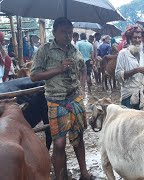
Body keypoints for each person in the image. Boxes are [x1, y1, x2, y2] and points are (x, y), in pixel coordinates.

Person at [30, 17, 94, 180]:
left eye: (70, 33)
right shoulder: (44, 50)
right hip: (55, 101)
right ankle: (61, 177)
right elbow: (34, 76)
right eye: (63, 32)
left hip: (75, 99)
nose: (67, 36)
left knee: (78, 137)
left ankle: (84, 173)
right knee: (59, 144)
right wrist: (58, 69)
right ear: (54, 33)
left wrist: (82, 87)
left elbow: (83, 68)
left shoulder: (74, 50)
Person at [115, 24, 144, 110]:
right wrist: (137, 70)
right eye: (135, 37)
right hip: (129, 94)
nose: (138, 40)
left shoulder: (141, 53)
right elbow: (118, 76)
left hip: (142, 92)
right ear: (129, 39)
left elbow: (143, 72)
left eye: (139, 37)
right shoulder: (123, 54)